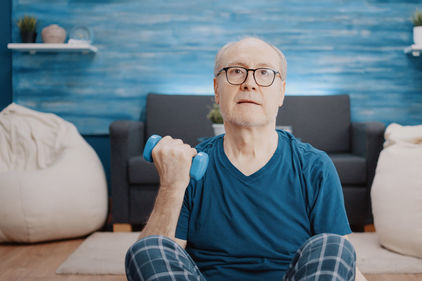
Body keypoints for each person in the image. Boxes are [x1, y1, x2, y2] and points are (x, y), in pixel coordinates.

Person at [125, 37, 367, 281]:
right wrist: (171, 185)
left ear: (281, 91)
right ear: (217, 90)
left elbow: (341, 265)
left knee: (334, 246)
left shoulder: (314, 166)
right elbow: (158, 258)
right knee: (146, 250)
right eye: (236, 71)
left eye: (264, 73)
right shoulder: (189, 168)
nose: (249, 83)